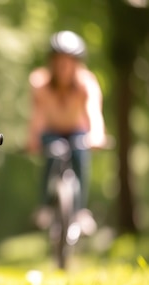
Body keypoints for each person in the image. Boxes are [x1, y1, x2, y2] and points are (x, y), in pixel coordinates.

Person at [26, 30, 106, 233]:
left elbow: (94, 113)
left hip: (78, 132)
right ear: (51, 62)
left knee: (80, 155)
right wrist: (33, 139)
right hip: (51, 132)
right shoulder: (40, 83)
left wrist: (97, 135)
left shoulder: (86, 83)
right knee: (53, 153)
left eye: (68, 61)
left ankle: (80, 212)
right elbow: (38, 115)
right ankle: (44, 207)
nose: (63, 66)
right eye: (59, 61)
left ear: (77, 63)